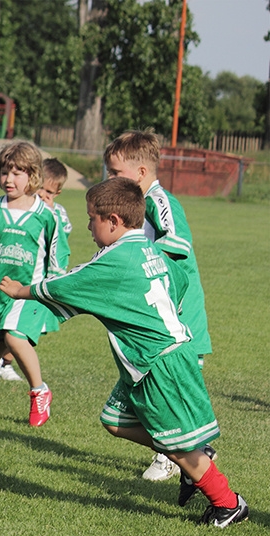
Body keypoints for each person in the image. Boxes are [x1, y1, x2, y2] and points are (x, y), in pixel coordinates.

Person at [0, 177, 248, 527]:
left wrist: (21, 289)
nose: (87, 225)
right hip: (149, 362)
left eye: (92, 218)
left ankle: (228, 502)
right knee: (114, 420)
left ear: (113, 221)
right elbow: (179, 279)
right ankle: (191, 456)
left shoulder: (116, 258)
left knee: (176, 446)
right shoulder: (147, 248)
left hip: (160, 363)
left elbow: (69, 283)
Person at [104, 129, 215, 483]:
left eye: (115, 172)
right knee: (147, 397)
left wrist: (142, 261)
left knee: (164, 396)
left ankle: (180, 457)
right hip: (160, 318)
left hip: (179, 318)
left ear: (139, 173)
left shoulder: (159, 200)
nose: (109, 179)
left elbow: (178, 241)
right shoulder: (139, 204)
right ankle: (191, 453)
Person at [0, 141, 69, 427]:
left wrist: (54, 288)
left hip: (29, 294)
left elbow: (58, 254)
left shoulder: (45, 216)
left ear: (33, 175)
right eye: (6, 172)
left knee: (13, 335)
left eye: (18, 173)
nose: (10, 179)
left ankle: (39, 391)